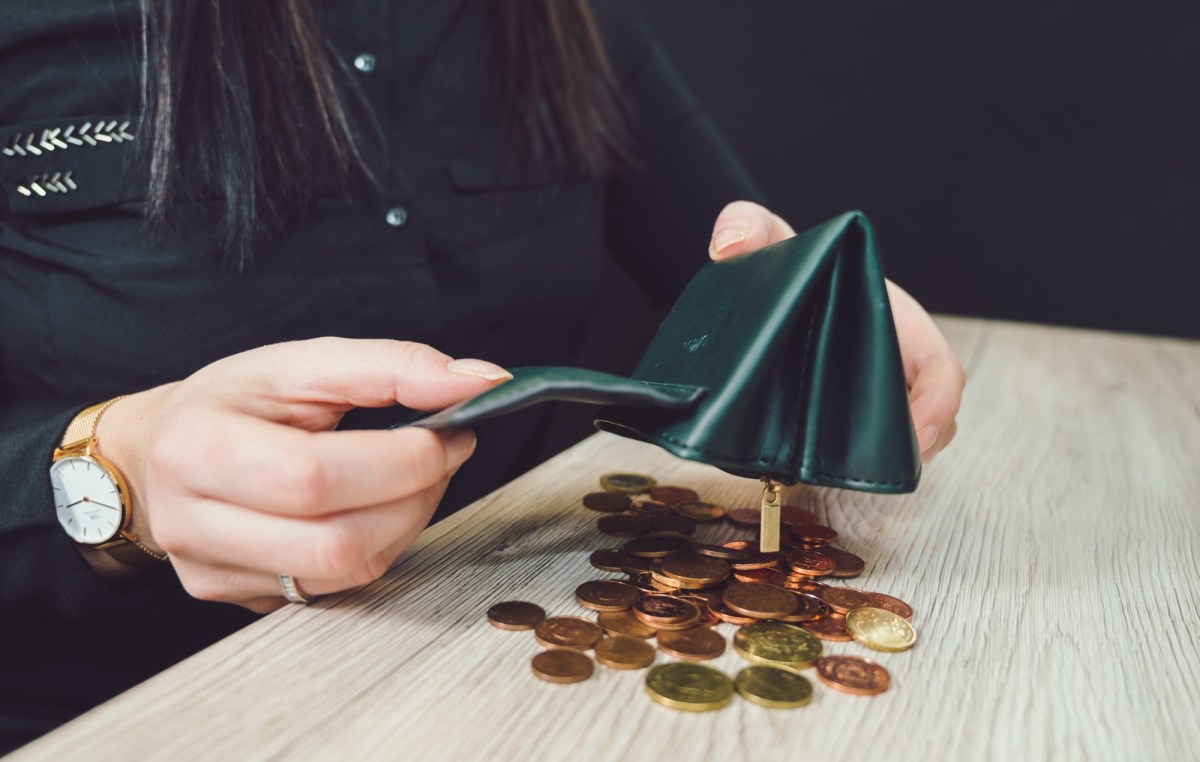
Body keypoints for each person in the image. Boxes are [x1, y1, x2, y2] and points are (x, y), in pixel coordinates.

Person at [0, 0, 964, 751]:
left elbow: (728, 265)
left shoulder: (569, 21)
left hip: (520, 684)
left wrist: (812, 308)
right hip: (130, 713)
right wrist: (107, 478)